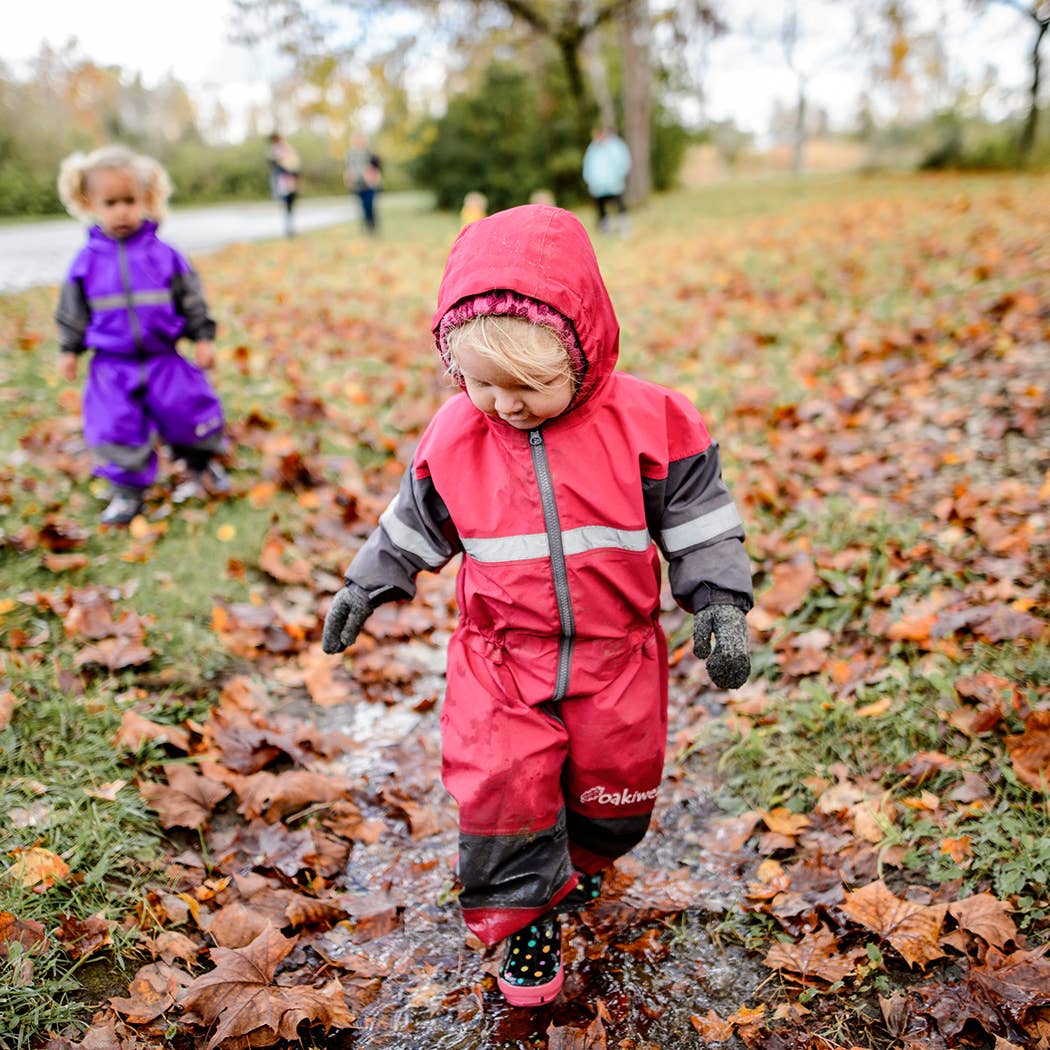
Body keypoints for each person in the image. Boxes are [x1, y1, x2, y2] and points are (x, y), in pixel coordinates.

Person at [321, 205, 752, 1007]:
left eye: (528, 386)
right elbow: (415, 521)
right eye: (480, 382)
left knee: (613, 797)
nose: (504, 405)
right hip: (501, 658)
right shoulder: (456, 436)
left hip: (615, 655)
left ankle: (576, 863)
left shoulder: (651, 422)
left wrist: (720, 605)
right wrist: (364, 584)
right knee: (502, 786)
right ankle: (524, 919)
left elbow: (700, 524)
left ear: (584, 354)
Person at [55, 145, 229, 526]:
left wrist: (203, 337)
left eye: (130, 201)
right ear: (90, 202)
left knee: (189, 412)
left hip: (164, 358)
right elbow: (73, 310)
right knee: (115, 425)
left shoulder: (164, 255)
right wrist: (69, 348)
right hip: (112, 366)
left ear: (146, 199)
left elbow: (192, 300)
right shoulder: (86, 261)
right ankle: (126, 490)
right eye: (111, 202)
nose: (122, 211)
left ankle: (201, 463)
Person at [582, 126, 632, 234]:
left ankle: (624, 227)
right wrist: (589, 180)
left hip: (613, 183)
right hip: (598, 186)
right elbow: (588, 166)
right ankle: (605, 229)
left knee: (619, 204)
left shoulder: (615, 146)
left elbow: (623, 161)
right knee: (601, 208)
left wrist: (620, 175)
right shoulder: (592, 149)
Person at [343, 134, 382, 235]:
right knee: (362, 206)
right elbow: (348, 167)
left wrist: (373, 178)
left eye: (360, 139)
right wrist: (347, 179)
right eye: (357, 139)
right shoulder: (350, 153)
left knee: (370, 206)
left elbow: (377, 168)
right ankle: (366, 226)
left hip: (370, 184)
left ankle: (372, 227)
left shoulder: (370, 152)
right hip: (357, 184)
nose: (359, 141)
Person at [267, 132, 301, 238]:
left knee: (288, 206)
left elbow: (291, 165)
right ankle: (289, 229)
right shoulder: (283, 149)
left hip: (286, 180)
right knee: (288, 207)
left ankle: (289, 229)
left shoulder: (283, 150)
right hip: (286, 180)